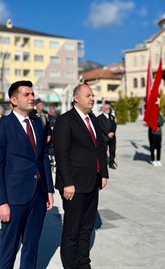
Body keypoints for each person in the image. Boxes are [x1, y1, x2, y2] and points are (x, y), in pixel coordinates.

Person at [0, 80, 54, 269]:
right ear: (14, 100)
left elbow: (43, 157)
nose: (32, 97)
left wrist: (48, 189)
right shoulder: (3, 125)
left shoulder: (36, 123)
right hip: (14, 198)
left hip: (38, 195)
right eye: (26, 94)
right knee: (8, 250)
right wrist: (1, 202)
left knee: (32, 247)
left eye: (32, 94)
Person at [53, 83, 109, 269]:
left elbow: (100, 148)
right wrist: (67, 182)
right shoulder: (65, 120)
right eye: (88, 95)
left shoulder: (93, 120)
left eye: (93, 95)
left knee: (87, 228)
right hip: (74, 185)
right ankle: (70, 265)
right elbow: (61, 154)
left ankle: (84, 263)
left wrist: (104, 173)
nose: (92, 98)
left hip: (92, 182)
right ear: (76, 98)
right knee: (72, 230)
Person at [98, 102, 117, 169]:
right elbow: (100, 128)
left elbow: (115, 125)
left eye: (109, 108)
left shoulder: (112, 117)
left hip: (112, 137)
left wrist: (113, 132)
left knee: (112, 150)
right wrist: (107, 133)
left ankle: (111, 163)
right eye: (106, 108)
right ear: (103, 109)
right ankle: (103, 164)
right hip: (104, 137)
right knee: (103, 151)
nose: (108, 109)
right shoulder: (99, 118)